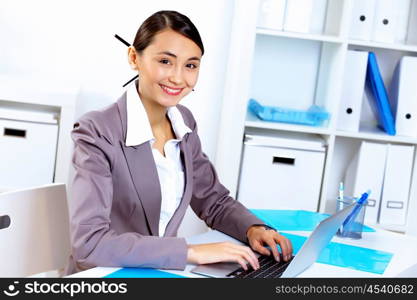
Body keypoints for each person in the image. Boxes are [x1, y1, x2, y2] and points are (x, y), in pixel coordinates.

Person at [65, 10, 292, 275]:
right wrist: (190, 252)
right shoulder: (96, 131)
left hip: (159, 274)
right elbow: (90, 244)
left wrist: (253, 229)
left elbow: (212, 200)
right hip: (107, 278)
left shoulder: (182, 121)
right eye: (165, 61)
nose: (177, 77)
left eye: (191, 65)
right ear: (134, 57)